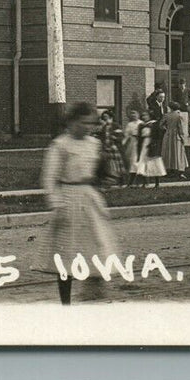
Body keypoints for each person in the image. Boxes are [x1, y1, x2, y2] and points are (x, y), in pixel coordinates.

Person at [39, 103, 119, 305]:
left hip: (89, 198)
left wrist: (105, 178)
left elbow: (98, 170)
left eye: (91, 123)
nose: (87, 127)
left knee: (97, 244)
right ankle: (65, 301)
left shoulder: (94, 143)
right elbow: (49, 177)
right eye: (83, 123)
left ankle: (93, 293)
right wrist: (57, 204)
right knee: (68, 252)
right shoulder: (61, 145)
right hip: (68, 198)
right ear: (72, 122)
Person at [135, 107, 167, 187]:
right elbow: (140, 137)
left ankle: (157, 183)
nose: (144, 117)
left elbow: (158, 136)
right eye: (143, 116)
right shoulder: (142, 125)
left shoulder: (155, 124)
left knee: (154, 163)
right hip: (144, 145)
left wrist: (154, 144)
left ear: (150, 116)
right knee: (143, 163)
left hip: (152, 145)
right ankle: (144, 183)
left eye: (145, 115)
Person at [160, 102, 189, 177]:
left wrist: (167, 129)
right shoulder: (179, 115)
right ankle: (180, 171)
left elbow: (161, 125)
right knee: (178, 152)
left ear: (171, 108)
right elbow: (180, 128)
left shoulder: (167, 115)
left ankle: (169, 170)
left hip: (168, 135)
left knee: (169, 152)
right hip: (176, 136)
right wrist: (182, 138)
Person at [97, 112, 126, 186]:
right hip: (107, 147)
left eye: (106, 116)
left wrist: (115, 138)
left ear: (110, 117)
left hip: (115, 147)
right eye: (104, 117)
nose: (105, 118)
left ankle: (122, 181)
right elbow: (102, 137)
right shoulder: (104, 127)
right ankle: (113, 179)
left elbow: (121, 136)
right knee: (111, 164)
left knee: (118, 163)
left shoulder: (115, 125)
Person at [120, 111, 143, 186]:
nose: (134, 117)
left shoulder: (141, 123)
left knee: (139, 161)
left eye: (135, 115)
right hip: (133, 143)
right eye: (132, 116)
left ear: (138, 115)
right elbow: (127, 135)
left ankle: (140, 180)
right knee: (132, 160)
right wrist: (122, 143)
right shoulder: (130, 124)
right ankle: (132, 180)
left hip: (140, 142)